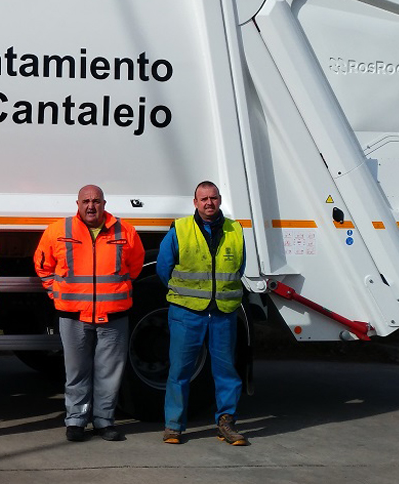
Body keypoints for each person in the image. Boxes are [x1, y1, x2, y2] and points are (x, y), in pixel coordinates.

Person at [34, 185, 144, 442]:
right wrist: (55, 292)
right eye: (86, 201)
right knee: (77, 371)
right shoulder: (58, 231)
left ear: (104, 203)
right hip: (73, 316)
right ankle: (76, 421)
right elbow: (42, 265)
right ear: (78, 203)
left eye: (96, 201)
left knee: (109, 373)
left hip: (113, 316)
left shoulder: (124, 231)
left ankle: (104, 422)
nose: (91, 206)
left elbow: (136, 266)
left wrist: (118, 289)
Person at [156, 180, 249, 446]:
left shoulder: (235, 229)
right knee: (180, 371)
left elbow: (238, 269)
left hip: (223, 313)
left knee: (226, 371)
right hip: (187, 313)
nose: (209, 203)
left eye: (214, 198)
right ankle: (173, 426)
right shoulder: (180, 229)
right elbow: (164, 268)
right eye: (204, 199)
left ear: (220, 200)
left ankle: (226, 423)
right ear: (195, 203)